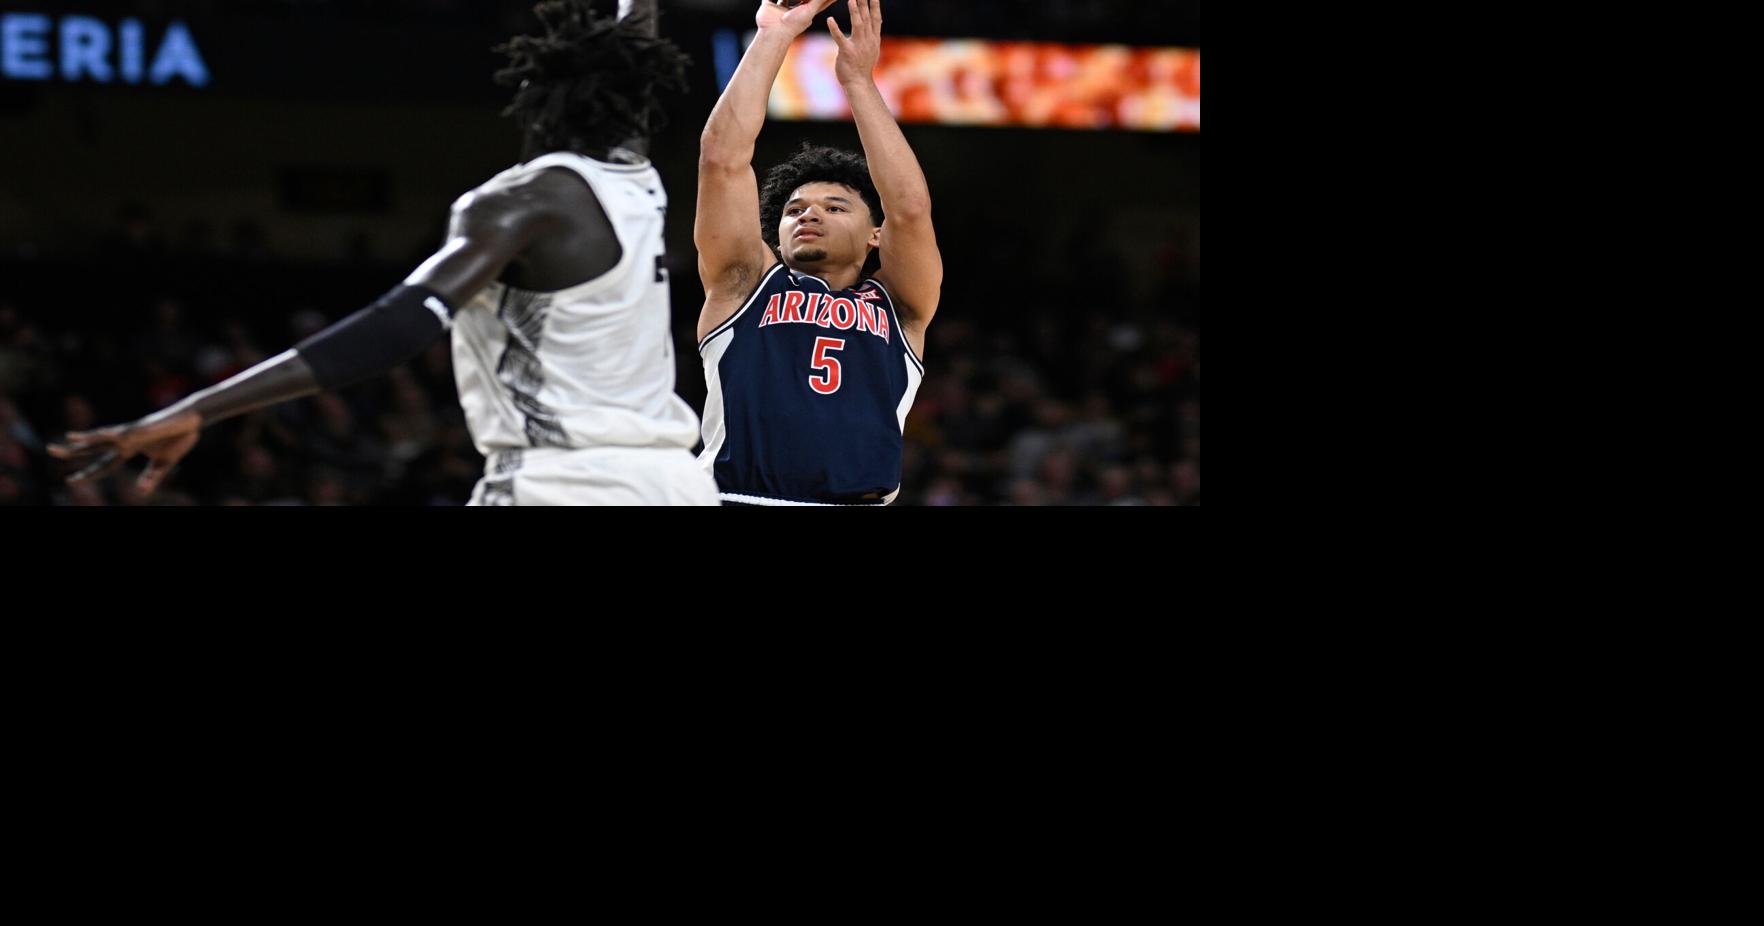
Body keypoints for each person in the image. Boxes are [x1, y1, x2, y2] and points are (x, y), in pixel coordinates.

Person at [49, 0, 718, 506]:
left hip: (563, 483)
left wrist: (198, 408)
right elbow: (637, 62)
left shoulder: (513, 205)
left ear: (534, 102)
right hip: (675, 481)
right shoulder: (637, 181)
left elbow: (396, 326)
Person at [694, 0, 942, 505]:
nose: (808, 215)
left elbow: (910, 208)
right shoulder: (744, 283)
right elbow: (722, 158)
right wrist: (774, 36)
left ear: (876, 233)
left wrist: (858, 83)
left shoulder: (900, 307)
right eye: (794, 209)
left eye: (835, 207)